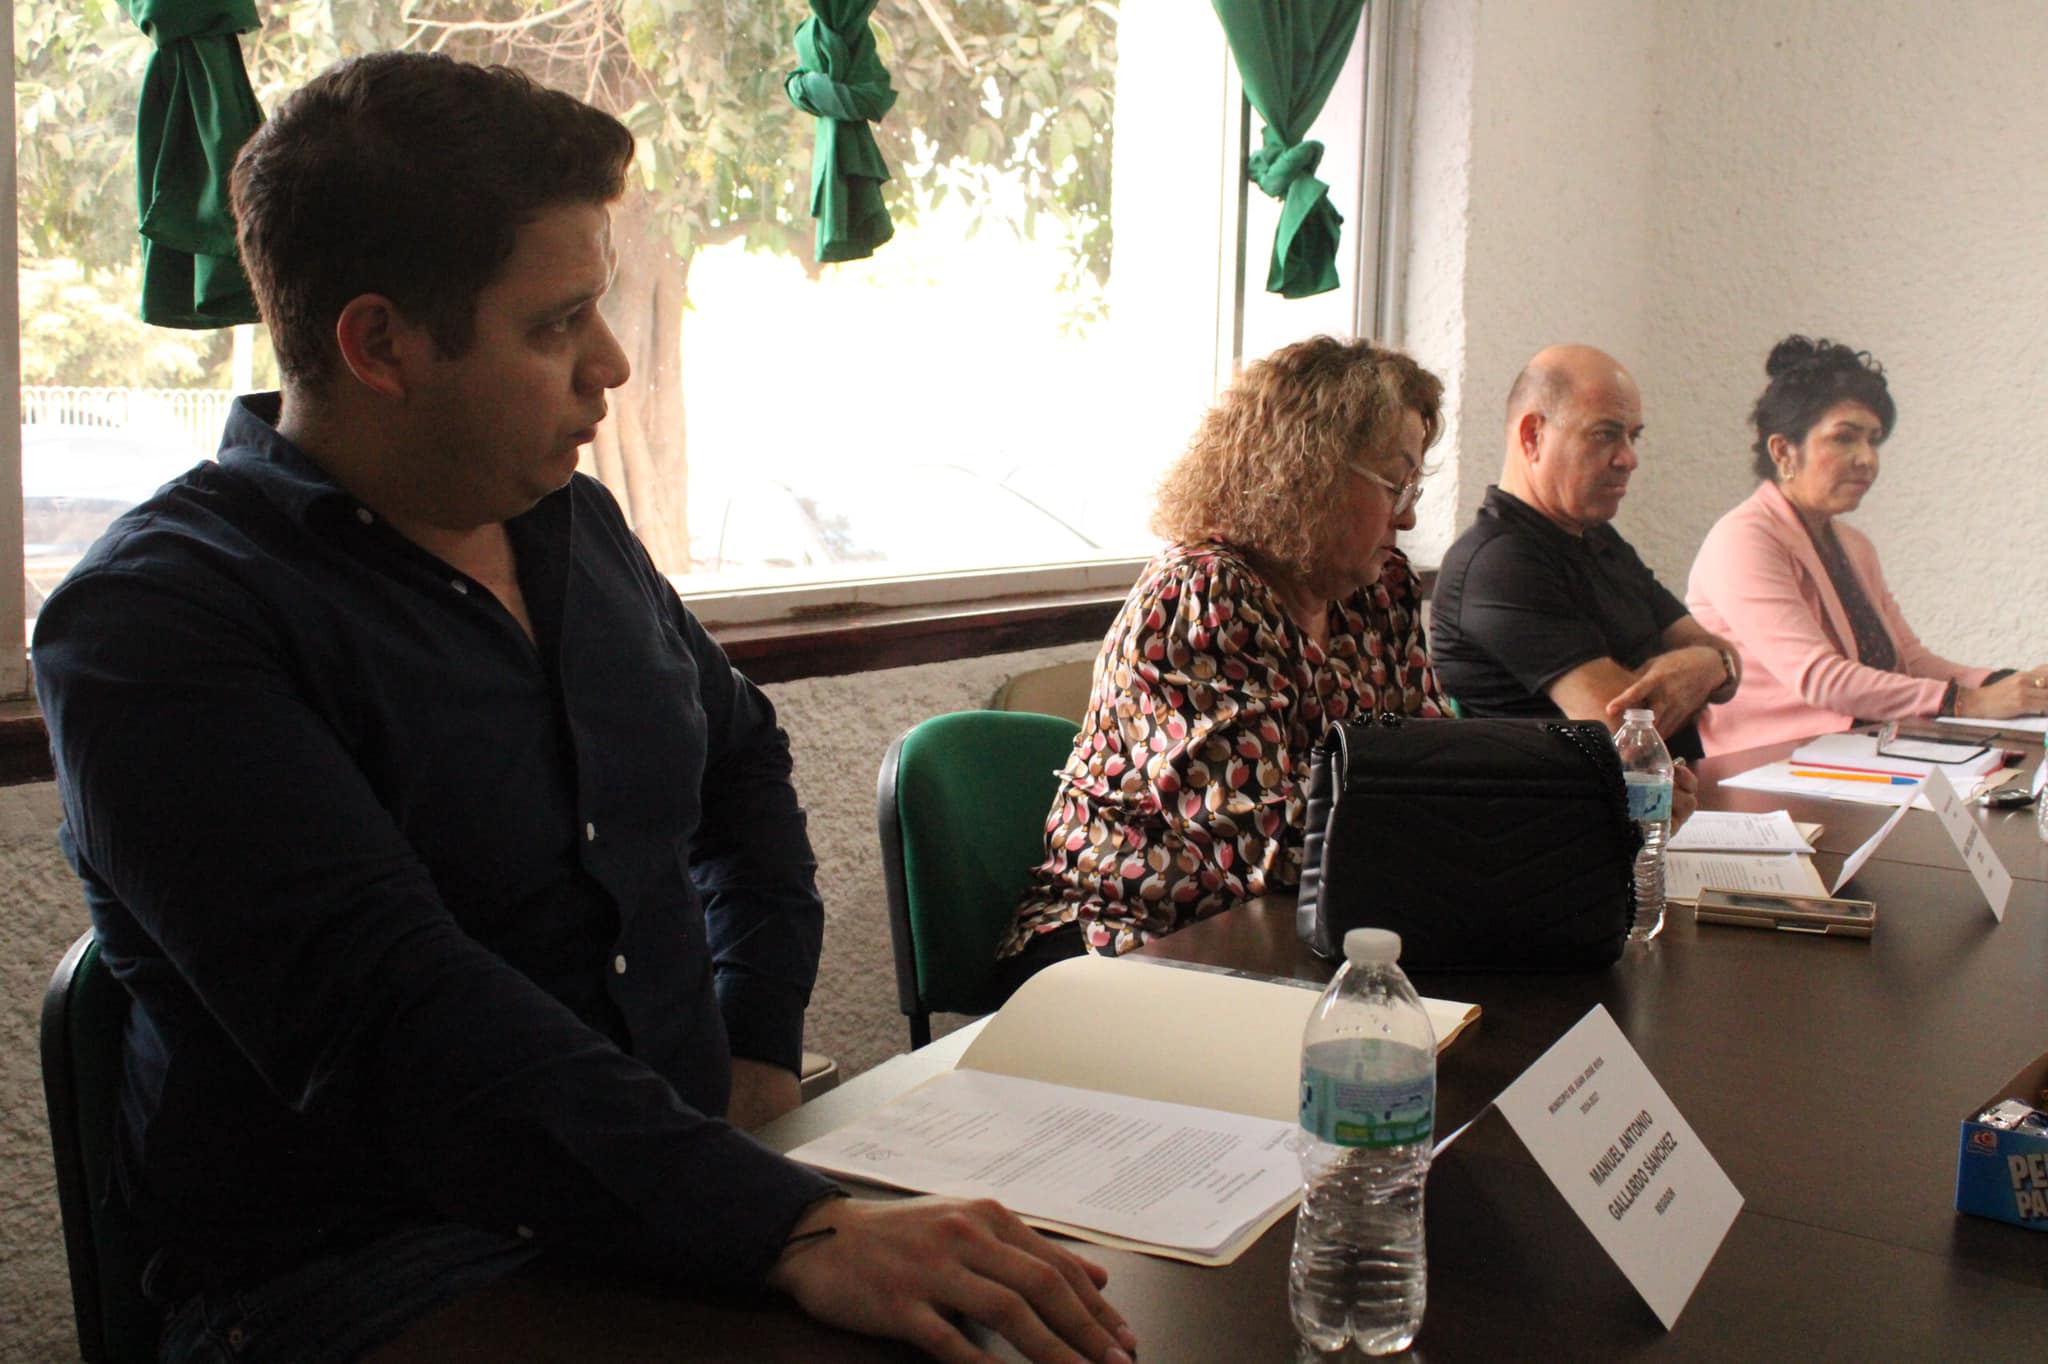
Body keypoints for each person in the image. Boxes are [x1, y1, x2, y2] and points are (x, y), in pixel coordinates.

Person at [33, 53, 1134, 1364]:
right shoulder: (155, 622)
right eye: (557, 323)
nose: (610, 361)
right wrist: (785, 1222)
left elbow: (740, 765)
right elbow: (398, 1016)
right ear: (378, 344)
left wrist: (756, 1047)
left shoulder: (575, 525)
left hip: (669, 1188)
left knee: (1065, 1298)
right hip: (369, 1264)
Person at [998, 336, 1450, 971]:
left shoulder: (1381, 590)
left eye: (1413, 490)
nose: (1406, 520)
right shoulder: (1200, 597)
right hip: (1130, 938)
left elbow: (1442, 769)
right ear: (1309, 474)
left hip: (1302, 927)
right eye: (1395, 486)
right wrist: (1454, 843)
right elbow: (1269, 848)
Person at [1684, 336, 2048, 754]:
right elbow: (1820, 678)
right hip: (1768, 767)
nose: (1868, 459)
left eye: (1873, 440)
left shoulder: (1854, 546)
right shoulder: (1743, 539)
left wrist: (2011, 684)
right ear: (1784, 451)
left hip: (1859, 755)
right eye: (1845, 438)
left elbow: (1909, 660)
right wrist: (1969, 702)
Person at [1429, 344, 1742, 761]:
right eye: (1605, 434)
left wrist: (1710, 663)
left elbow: (1719, 653)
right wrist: (1708, 666)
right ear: (1533, 436)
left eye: (1633, 436)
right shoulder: (1498, 563)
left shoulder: (1599, 539)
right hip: (1569, 802)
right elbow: (1625, 729)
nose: (1629, 458)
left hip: (1669, 794)